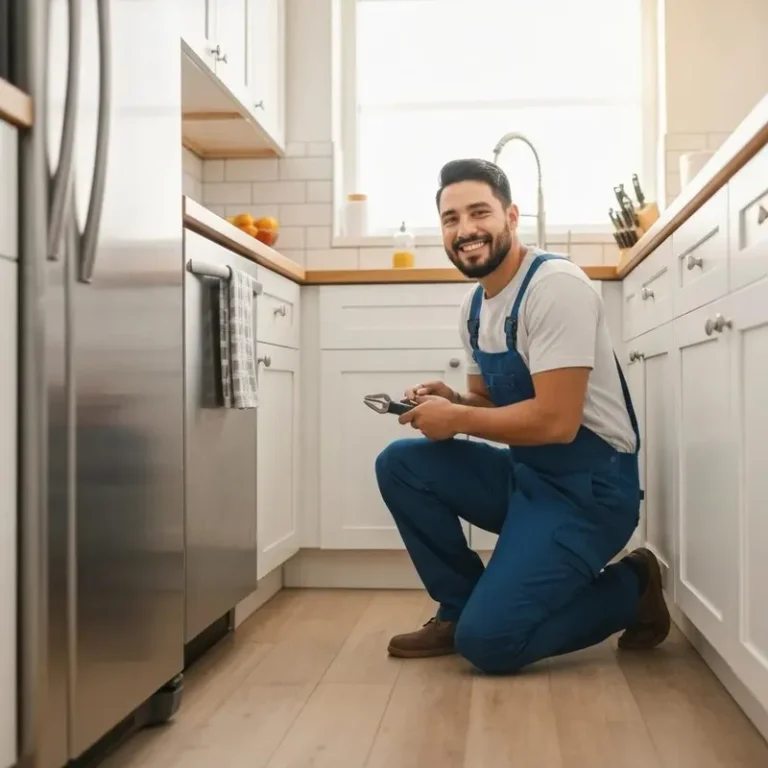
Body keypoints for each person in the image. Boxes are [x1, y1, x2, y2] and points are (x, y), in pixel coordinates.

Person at [374, 158, 670, 674]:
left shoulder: (556, 287)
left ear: (511, 216)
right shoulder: (475, 307)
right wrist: (455, 402)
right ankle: (460, 608)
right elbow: (495, 407)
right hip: (530, 479)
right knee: (401, 463)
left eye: (478, 212)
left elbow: (557, 422)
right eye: (450, 219)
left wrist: (458, 421)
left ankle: (634, 586)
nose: (465, 230)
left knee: (491, 645)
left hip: (591, 495)